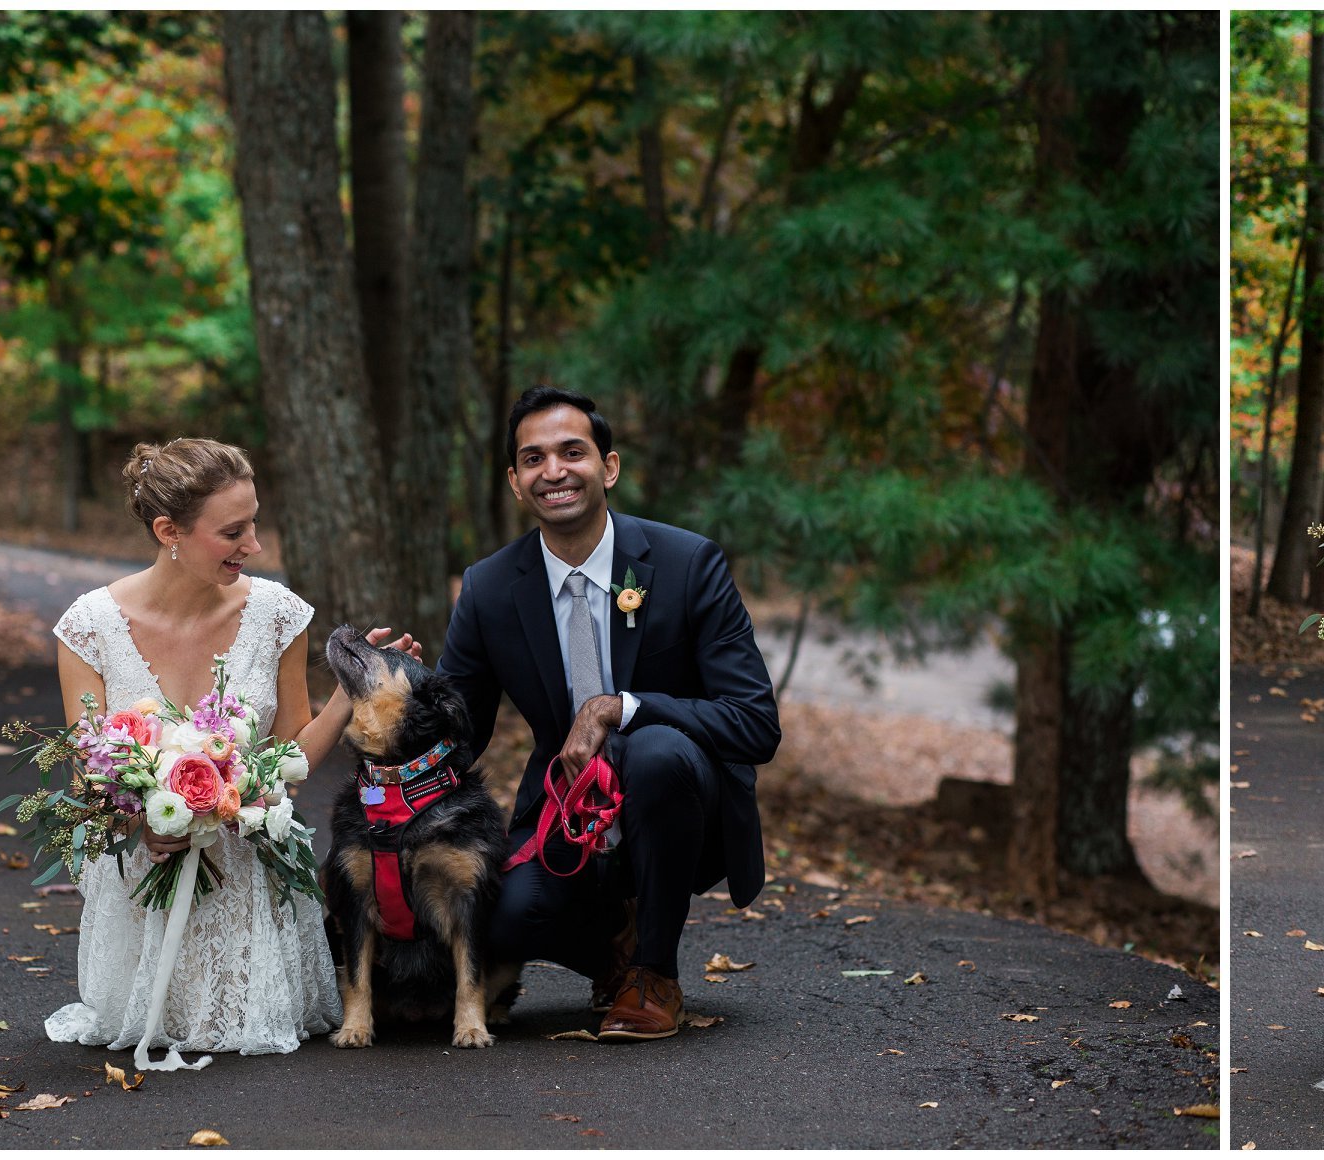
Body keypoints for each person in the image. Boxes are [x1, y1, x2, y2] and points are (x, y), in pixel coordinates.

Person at [42, 438, 415, 1056]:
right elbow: (90, 770)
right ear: (170, 531)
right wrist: (142, 822)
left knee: (244, 1024)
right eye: (233, 531)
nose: (255, 547)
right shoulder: (90, 627)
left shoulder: (275, 614)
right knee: (144, 1026)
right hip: (147, 874)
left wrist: (353, 693)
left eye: (255, 524)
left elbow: (290, 750)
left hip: (248, 866)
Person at [439, 387, 781, 1041]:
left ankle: (655, 975)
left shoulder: (686, 564)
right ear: (516, 482)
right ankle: (614, 953)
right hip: (567, 814)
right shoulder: (489, 587)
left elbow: (755, 722)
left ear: (610, 467)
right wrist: (392, 708)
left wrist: (619, 708)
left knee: (654, 751)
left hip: (683, 804)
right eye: (533, 459)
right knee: (502, 921)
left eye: (573, 452)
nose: (554, 471)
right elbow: (459, 734)